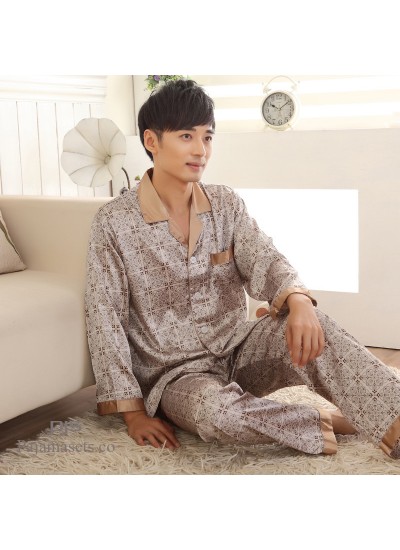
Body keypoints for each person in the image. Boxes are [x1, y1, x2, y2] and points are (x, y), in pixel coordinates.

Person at [85, 79, 400, 458]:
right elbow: (105, 316)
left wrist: (299, 301)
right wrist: (133, 413)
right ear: (152, 141)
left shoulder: (225, 203)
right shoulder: (114, 223)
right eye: (186, 136)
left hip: (237, 347)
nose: (200, 150)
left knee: (316, 325)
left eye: (207, 137)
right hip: (177, 377)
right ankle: (322, 422)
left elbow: (265, 257)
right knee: (218, 414)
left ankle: (396, 421)